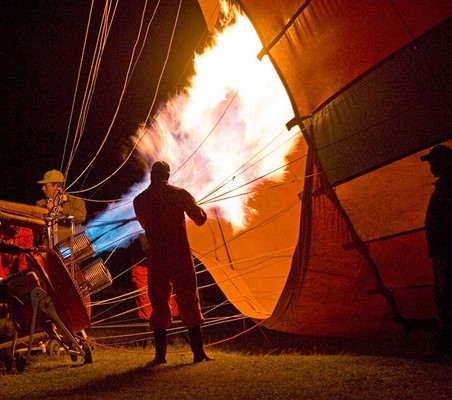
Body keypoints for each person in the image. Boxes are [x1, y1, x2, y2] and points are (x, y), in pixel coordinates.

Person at [133, 160, 210, 364]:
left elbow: (144, 224)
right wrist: (202, 210)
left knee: (158, 302)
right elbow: (200, 219)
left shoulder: (140, 200)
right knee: (189, 300)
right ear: (168, 175)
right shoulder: (179, 193)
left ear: (152, 176)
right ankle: (198, 353)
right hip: (179, 254)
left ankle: (160, 356)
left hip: (157, 256)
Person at [421, 144, 452, 361]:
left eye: (434, 161)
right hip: (441, 253)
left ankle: (447, 349)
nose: (431, 166)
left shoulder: (447, 189)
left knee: (447, 299)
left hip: (446, 254)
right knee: (443, 298)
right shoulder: (442, 187)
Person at [35, 169, 87, 245]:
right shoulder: (41, 203)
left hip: (66, 249)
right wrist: (46, 209)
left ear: (57, 186)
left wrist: (61, 209)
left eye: (46, 186)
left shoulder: (75, 202)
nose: (42, 188)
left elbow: (81, 217)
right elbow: (35, 217)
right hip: (45, 250)